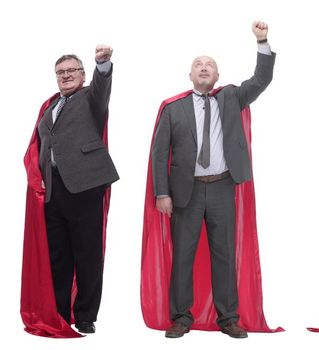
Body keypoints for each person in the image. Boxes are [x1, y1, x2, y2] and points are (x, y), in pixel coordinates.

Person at [149, 21, 275, 339]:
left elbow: (262, 79)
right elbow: (158, 153)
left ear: (217, 76)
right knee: (183, 256)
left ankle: (228, 317)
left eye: (210, 65)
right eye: (198, 65)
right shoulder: (172, 109)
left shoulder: (231, 97)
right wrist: (161, 193)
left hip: (221, 186)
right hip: (184, 192)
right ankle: (181, 317)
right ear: (190, 75)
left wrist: (262, 41)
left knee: (224, 254)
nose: (204, 68)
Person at [24, 45, 118, 336]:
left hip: (85, 185)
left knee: (88, 254)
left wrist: (103, 64)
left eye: (71, 71)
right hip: (53, 190)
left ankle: (86, 315)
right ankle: (60, 313)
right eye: (60, 72)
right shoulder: (50, 106)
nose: (65, 76)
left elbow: (103, 88)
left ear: (82, 74)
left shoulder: (92, 97)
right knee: (58, 256)